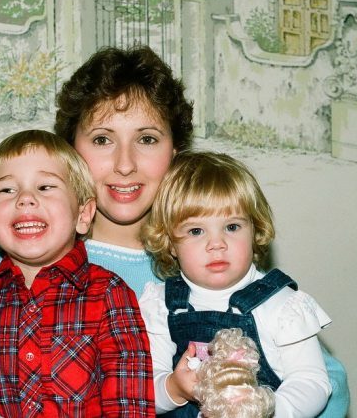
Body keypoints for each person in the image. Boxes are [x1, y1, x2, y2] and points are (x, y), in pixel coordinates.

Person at [0, 45, 348, 417]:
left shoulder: (212, 259)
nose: (124, 164)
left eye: (147, 139)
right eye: (102, 139)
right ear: (70, 152)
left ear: (175, 151)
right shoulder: (14, 266)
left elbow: (328, 384)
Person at [0, 130, 155, 417]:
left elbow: (130, 403)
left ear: (83, 215)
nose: (25, 198)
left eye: (45, 187)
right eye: (7, 190)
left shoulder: (109, 293)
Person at [139, 151, 333, 417]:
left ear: (255, 230)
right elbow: (142, 392)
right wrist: (174, 388)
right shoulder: (161, 305)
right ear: (170, 243)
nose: (216, 244)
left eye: (231, 227)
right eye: (196, 231)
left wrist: (267, 410)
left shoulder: (282, 305)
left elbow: (312, 382)